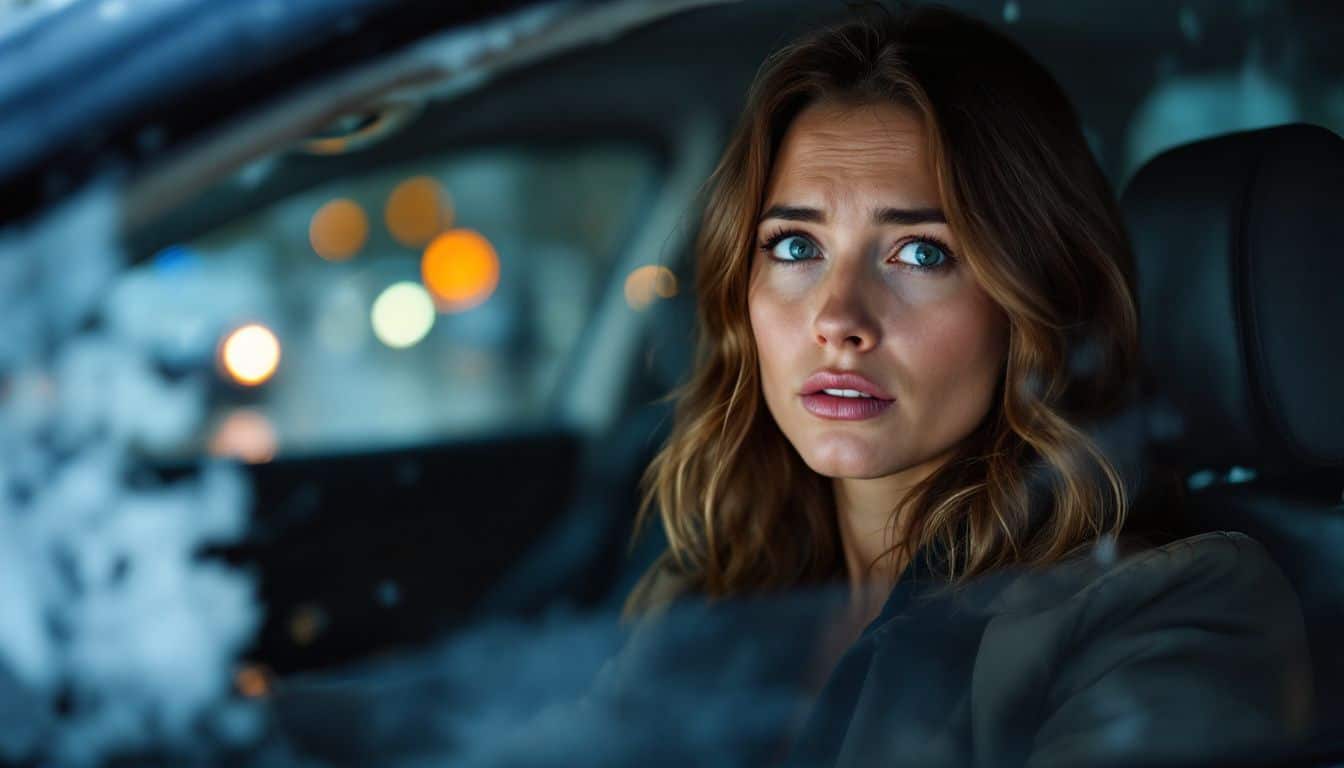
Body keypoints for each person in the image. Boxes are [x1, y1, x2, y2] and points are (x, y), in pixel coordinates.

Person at [620, 3, 1313, 765]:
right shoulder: (711, 585)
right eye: (794, 245)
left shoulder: (1160, 611)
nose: (838, 318)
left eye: (921, 254)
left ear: (1033, 300)